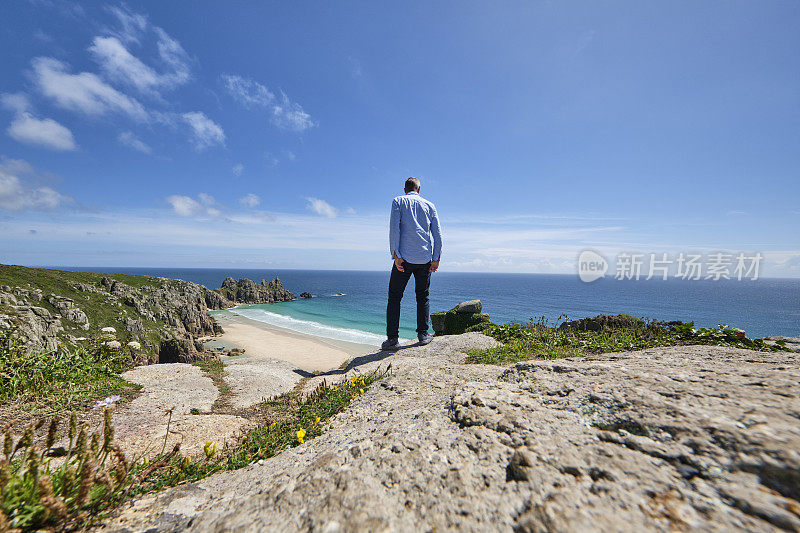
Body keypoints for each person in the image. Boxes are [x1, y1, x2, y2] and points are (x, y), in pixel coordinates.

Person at [382, 177, 442, 351]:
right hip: (425, 258)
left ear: (405, 189)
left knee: (394, 298)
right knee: (423, 296)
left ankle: (393, 339)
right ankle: (423, 335)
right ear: (419, 189)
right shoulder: (430, 205)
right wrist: (436, 258)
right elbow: (437, 234)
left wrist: (396, 255)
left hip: (404, 258)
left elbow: (394, 228)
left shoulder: (398, 201)